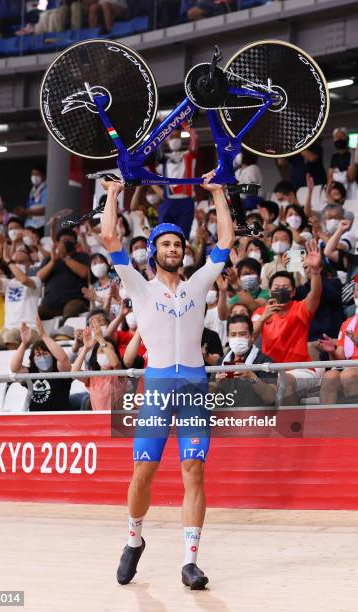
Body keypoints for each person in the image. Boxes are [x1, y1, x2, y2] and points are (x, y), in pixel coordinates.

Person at [101, 171, 234, 589]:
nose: (174, 249)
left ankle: (189, 561)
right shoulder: (139, 287)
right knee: (144, 472)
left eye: (178, 244)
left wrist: (217, 193)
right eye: (166, 244)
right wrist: (113, 194)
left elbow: (226, 243)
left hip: (194, 385)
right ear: (154, 253)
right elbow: (109, 239)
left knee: (194, 470)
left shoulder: (198, 284)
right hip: (157, 386)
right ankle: (134, 539)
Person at [252, 242, 323, 402]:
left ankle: (288, 426)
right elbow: (248, 337)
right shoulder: (260, 313)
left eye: (285, 288)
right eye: (276, 287)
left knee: (283, 381)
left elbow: (315, 294)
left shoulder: (300, 308)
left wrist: (316, 272)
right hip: (271, 371)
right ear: (269, 291)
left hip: (302, 371)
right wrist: (264, 317)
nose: (281, 290)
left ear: (293, 292)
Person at [0, 241, 42, 352]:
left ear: (29, 264)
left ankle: (11, 367)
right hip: (6, 331)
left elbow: (23, 279)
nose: (17, 264)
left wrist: (9, 261)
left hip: (30, 330)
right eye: (15, 262)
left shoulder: (35, 280)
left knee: (11, 335)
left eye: (21, 262)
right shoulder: (8, 283)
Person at [210, 315, 276, 407]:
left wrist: (252, 377)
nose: (237, 338)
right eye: (233, 334)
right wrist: (218, 384)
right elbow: (209, 402)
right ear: (228, 337)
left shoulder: (265, 361)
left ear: (251, 336)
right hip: (227, 417)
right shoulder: (221, 362)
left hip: (255, 417)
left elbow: (271, 398)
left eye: (242, 334)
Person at [319, 274, 358, 404]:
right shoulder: (347, 323)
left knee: (348, 374)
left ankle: (354, 422)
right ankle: (327, 422)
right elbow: (339, 359)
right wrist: (331, 351)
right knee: (329, 376)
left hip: (352, 370)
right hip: (350, 367)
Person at [11, 319, 72, 411]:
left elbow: (63, 358)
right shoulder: (31, 373)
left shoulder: (60, 371)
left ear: (52, 355)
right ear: (33, 359)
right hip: (36, 420)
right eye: (38, 354)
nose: (42, 357)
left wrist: (44, 336)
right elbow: (14, 368)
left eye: (46, 353)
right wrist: (23, 344)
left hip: (60, 419)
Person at [72, 320, 126, 410]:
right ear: (95, 356)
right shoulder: (92, 377)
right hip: (98, 421)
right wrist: (86, 348)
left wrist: (100, 339)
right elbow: (74, 373)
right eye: (102, 351)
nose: (106, 354)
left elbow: (115, 364)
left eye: (110, 350)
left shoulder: (119, 374)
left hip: (116, 421)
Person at [156, 124, 199, 239]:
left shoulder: (189, 155)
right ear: (166, 141)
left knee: (183, 238)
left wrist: (181, 121)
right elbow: (156, 141)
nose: (174, 139)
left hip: (186, 202)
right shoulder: (163, 159)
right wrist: (164, 125)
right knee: (163, 236)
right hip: (168, 202)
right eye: (171, 137)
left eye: (176, 136)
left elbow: (194, 137)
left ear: (181, 137)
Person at [37, 228, 90, 321]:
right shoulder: (49, 259)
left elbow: (84, 273)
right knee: (34, 313)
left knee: (70, 311)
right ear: (57, 244)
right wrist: (53, 261)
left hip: (75, 300)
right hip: (50, 304)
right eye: (64, 241)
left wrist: (65, 257)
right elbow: (39, 278)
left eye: (70, 241)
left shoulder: (82, 256)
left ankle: (63, 335)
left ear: (76, 244)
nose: (66, 243)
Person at [14, 166, 47, 234]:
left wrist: (25, 212)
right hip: (30, 224)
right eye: (33, 174)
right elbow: (30, 207)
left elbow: (45, 209)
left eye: (37, 174)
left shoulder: (47, 189)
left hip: (41, 225)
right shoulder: (33, 190)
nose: (34, 176)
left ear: (44, 176)